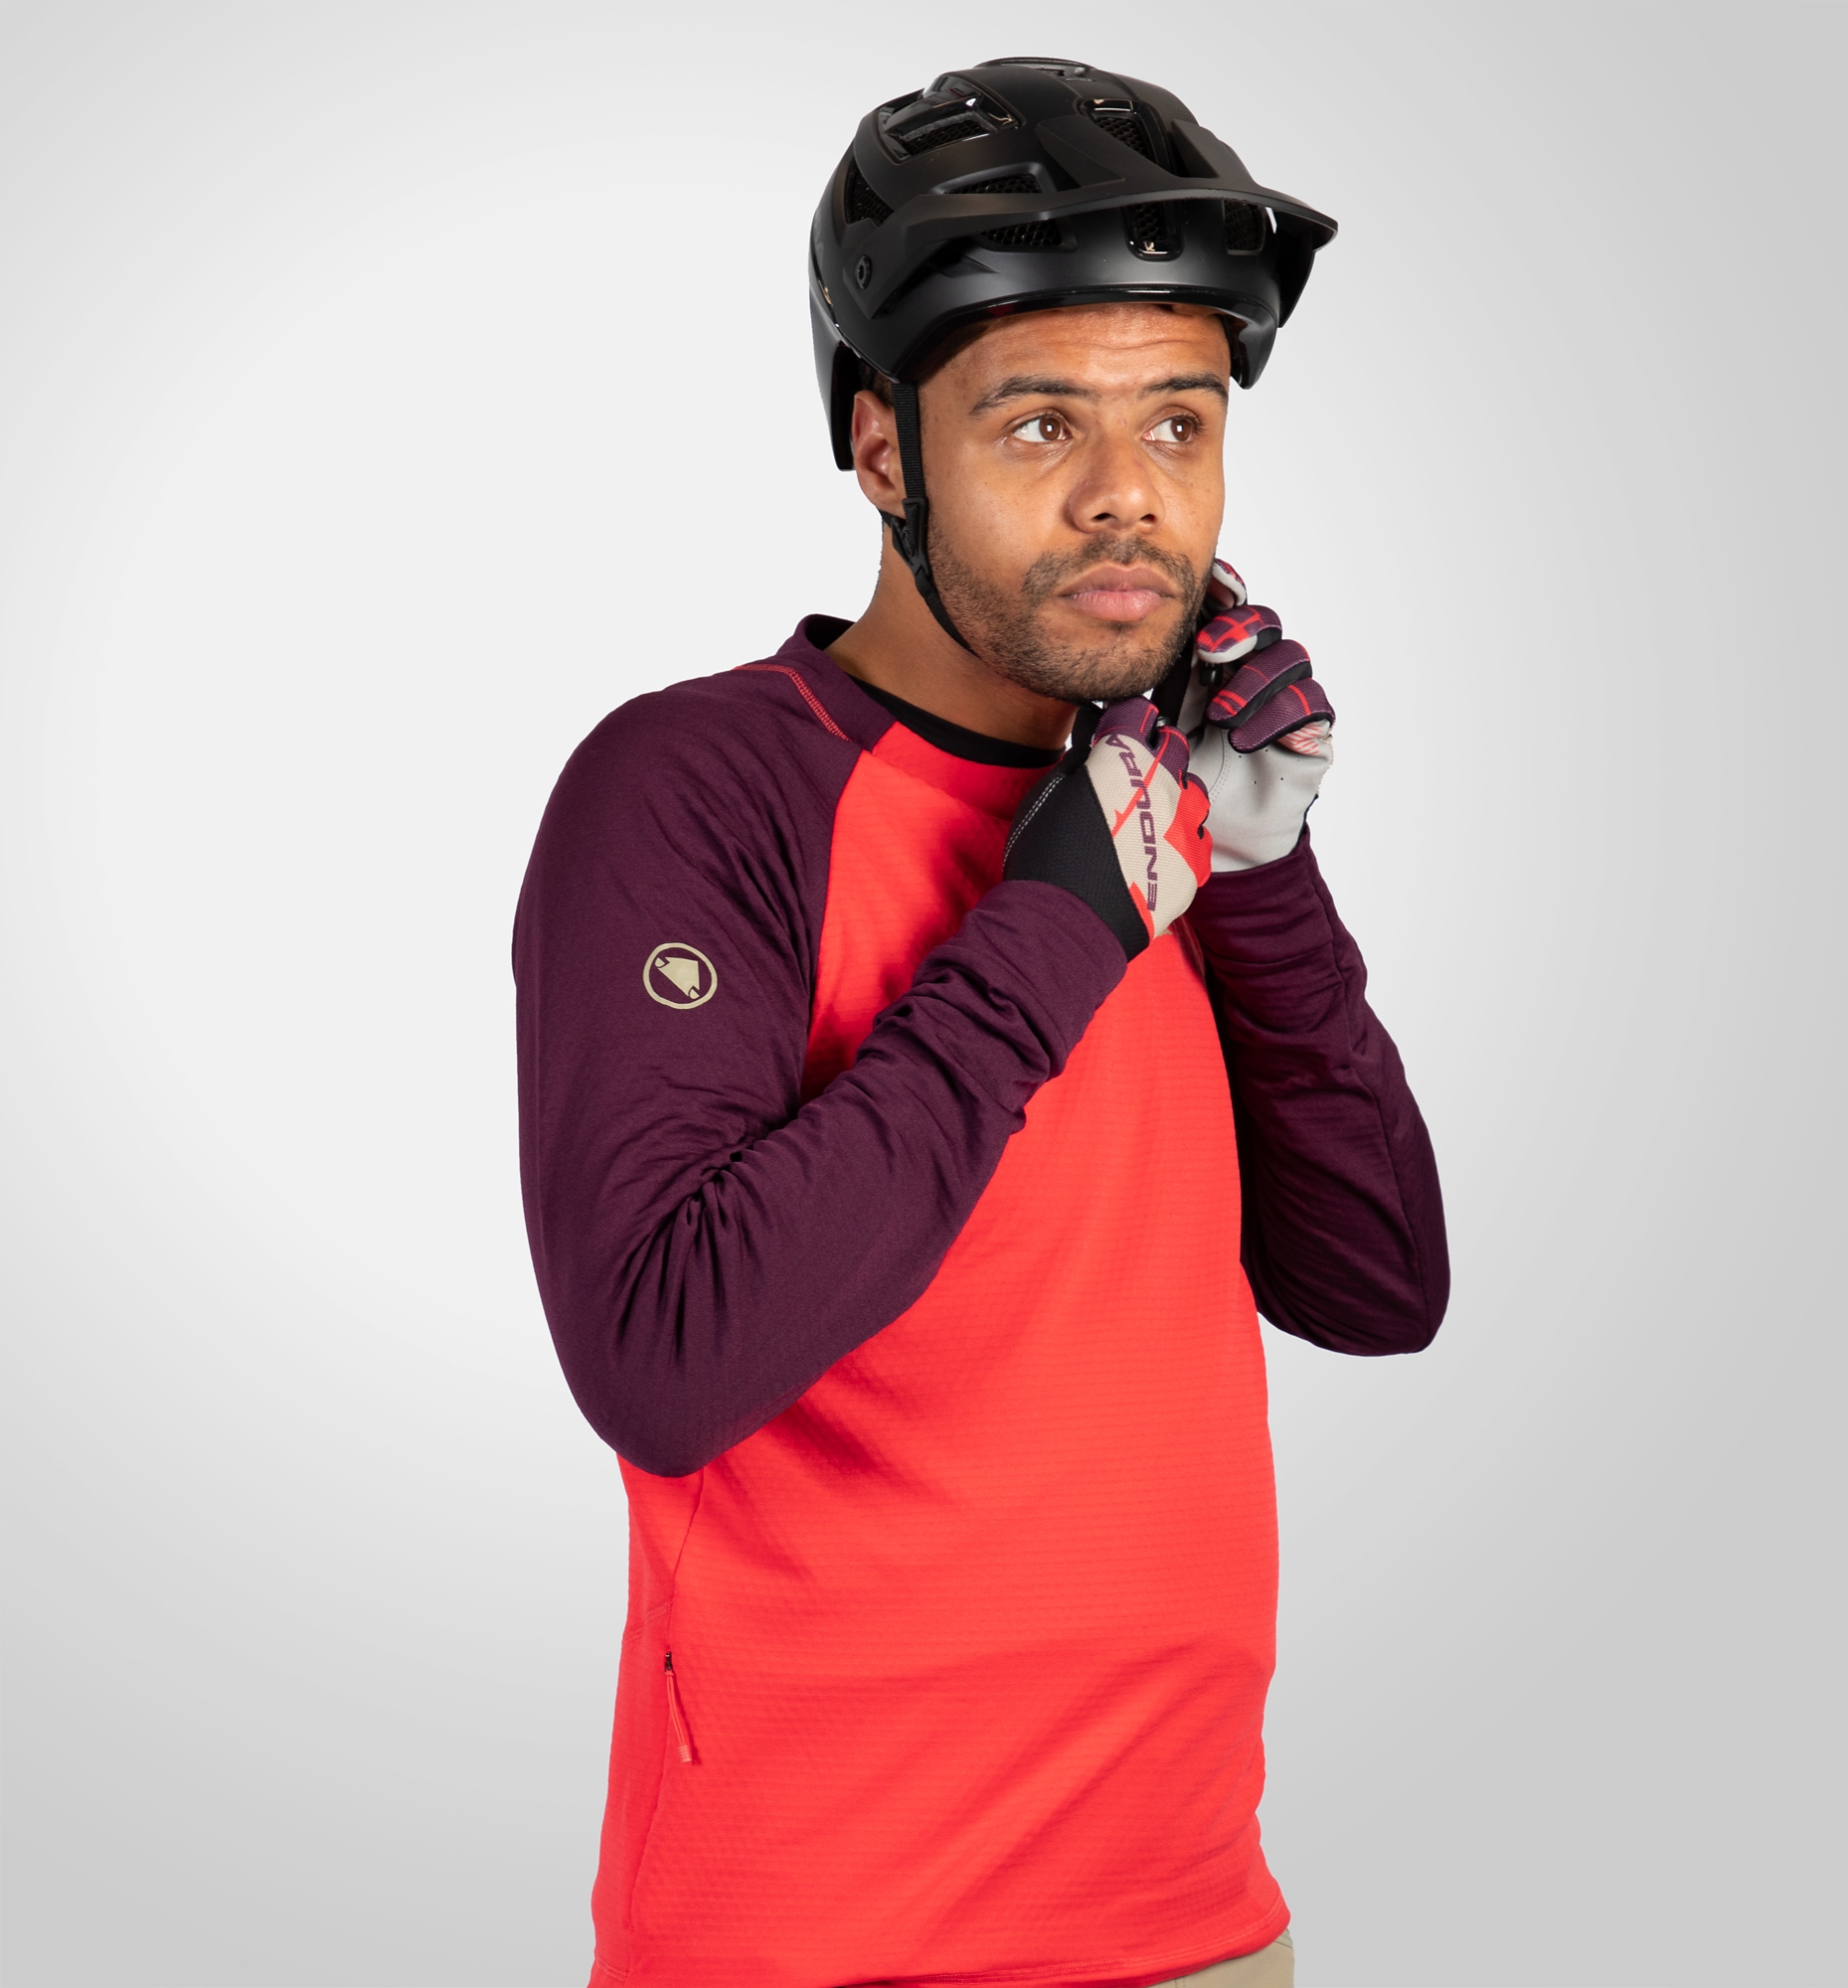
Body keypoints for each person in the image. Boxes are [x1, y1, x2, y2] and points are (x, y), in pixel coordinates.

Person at [514, 57, 1448, 1988]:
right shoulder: (700, 789)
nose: (1128, 494)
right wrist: (1066, 911)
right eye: (1038, 423)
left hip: (1197, 1922)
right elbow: (665, 1358)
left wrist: (1258, 874)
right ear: (882, 449)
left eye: (1178, 421)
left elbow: (1376, 1285)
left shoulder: (1162, 804)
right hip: (813, 1940)